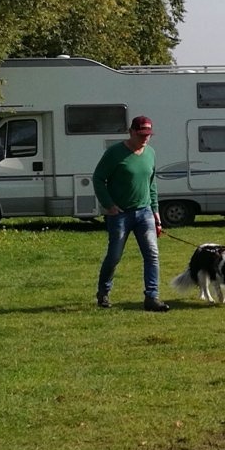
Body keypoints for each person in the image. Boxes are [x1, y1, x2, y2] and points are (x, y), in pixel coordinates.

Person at [93, 115, 169, 312]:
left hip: (144, 213)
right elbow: (98, 179)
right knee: (114, 256)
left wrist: (156, 211)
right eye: (142, 134)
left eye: (149, 135)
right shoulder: (115, 153)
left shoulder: (150, 153)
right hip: (120, 214)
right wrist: (109, 205)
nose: (145, 138)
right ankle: (103, 292)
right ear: (132, 131)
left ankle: (152, 297)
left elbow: (152, 184)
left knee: (152, 254)